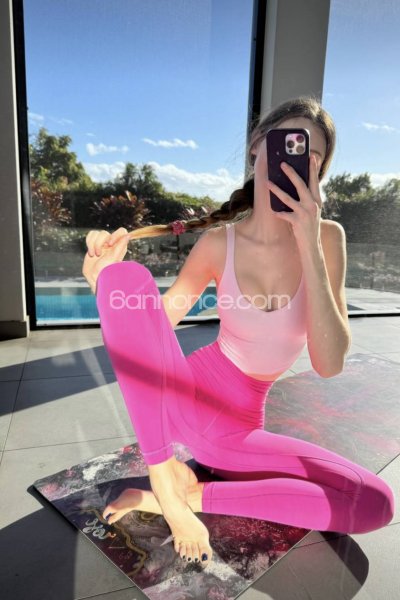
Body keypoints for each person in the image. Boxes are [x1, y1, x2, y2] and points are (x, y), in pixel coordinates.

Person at [82, 96, 395, 567]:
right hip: (184, 394)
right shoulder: (218, 243)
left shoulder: (328, 238)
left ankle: (188, 494)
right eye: (286, 143)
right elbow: (153, 327)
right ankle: (165, 481)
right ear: (257, 148)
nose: (295, 159)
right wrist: (104, 282)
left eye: (311, 155)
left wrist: (308, 241)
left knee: (374, 503)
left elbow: (328, 364)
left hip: (238, 429)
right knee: (127, 282)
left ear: (320, 171)